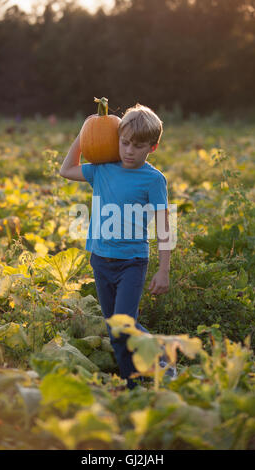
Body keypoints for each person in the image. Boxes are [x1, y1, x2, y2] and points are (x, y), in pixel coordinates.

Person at [59, 103, 176, 389]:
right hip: (100, 259)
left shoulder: (153, 179)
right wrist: (85, 131)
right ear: (117, 140)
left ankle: (158, 359)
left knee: (123, 326)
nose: (129, 151)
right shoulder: (102, 170)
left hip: (132, 262)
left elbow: (164, 227)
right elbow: (66, 169)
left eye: (138, 146)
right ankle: (132, 386)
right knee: (115, 331)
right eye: (124, 143)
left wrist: (164, 270)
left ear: (153, 147)